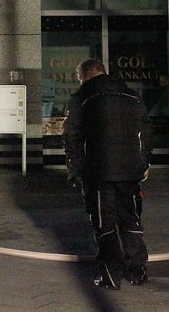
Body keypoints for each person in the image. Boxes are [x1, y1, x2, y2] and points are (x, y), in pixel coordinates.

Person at [63, 58, 152, 289]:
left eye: (79, 77)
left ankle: (110, 276)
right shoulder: (132, 96)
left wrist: (75, 170)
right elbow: (145, 133)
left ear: (84, 75)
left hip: (99, 172)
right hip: (130, 173)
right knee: (131, 220)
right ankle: (137, 271)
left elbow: (72, 138)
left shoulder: (81, 98)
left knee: (105, 224)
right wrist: (143, 163)